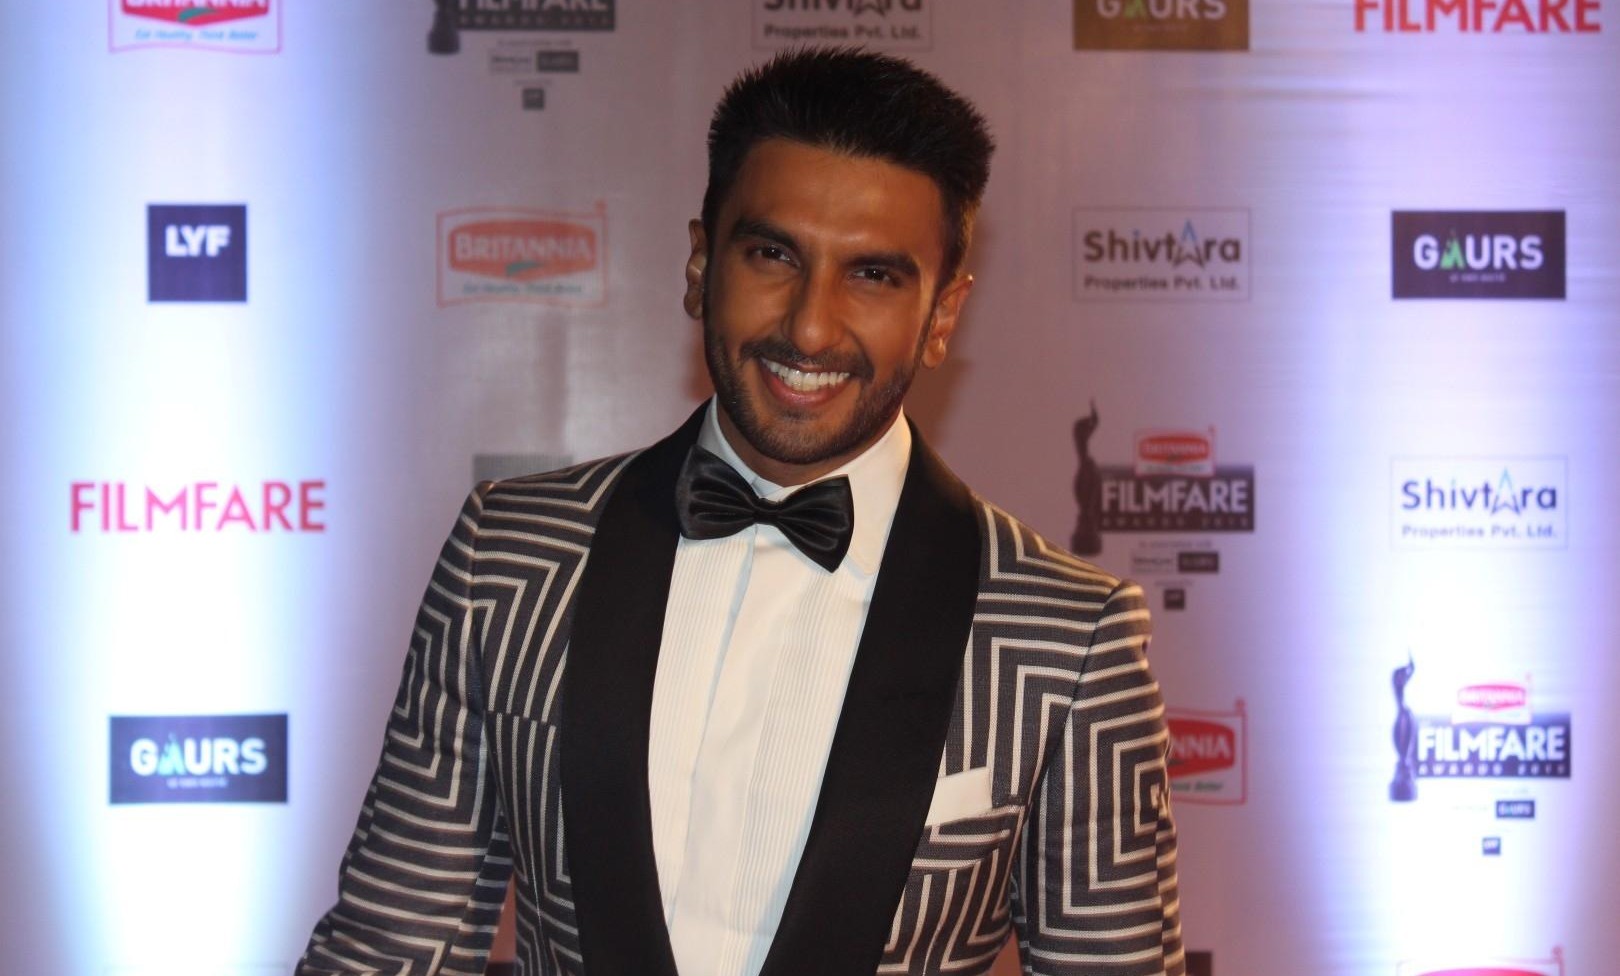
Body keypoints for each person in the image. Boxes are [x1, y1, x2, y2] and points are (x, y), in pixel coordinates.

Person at [297, 47, 1183, 976]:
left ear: (943, 315)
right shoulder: (513, 557)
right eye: (773, 255)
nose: (810, 326)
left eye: (873, 276)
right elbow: (389, 946)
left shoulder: (1065, 636)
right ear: (699, 263)